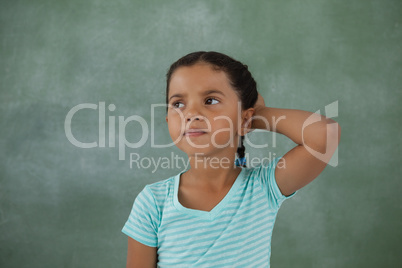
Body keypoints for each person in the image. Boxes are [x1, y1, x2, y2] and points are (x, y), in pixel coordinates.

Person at [122, 51, 341, 267]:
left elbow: (325, 135)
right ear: (168, 119)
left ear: (245, 118)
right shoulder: (153, 202)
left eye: (210, 100)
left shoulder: (263, 187)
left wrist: (257, 115)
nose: (191, 113)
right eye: (178, 104)